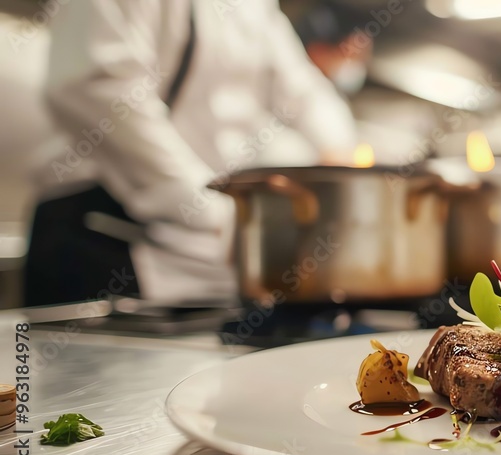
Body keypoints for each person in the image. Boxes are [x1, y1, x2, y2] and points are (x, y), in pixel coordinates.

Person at [24, 0, 358, 306]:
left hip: (199, 252)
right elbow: (96, 88)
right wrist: (210, 211)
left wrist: (343, 158)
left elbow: (302, 90)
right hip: (103, 232)